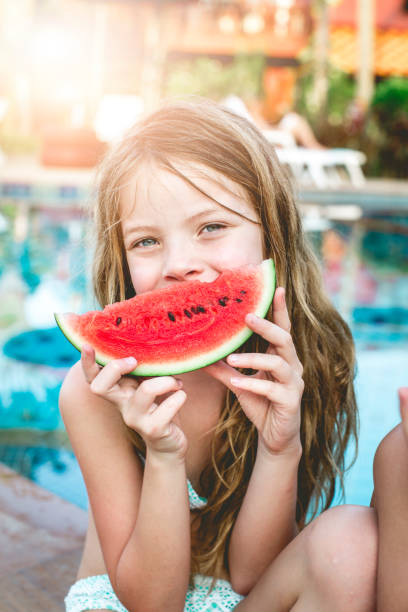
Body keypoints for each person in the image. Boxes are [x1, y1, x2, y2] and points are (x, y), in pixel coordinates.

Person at [60, 97, 406, 612]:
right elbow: (152, 602)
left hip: (244, 597)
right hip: (130, 602)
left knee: (352, 541)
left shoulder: (303, 359)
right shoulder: (98, 392)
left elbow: (250, 573)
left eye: (211, 227)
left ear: (272, 231)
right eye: (147, 241)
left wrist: (278, 447)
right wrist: (163, 455)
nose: (180, 264)